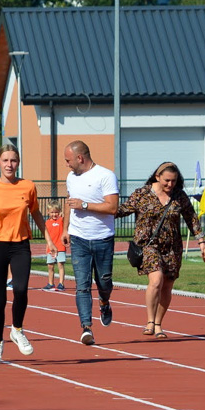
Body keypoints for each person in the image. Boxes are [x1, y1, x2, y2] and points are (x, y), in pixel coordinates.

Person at [0, 144, 57, 364]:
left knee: (21, 289)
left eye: (13, 160)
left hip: (20, 245)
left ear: (18, 163)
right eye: (5, 160)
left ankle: (17, 329)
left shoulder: (28, 186)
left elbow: (36, 214)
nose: (9, 164)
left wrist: (49, 240)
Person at [116, 161, 205, 338]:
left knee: (167, 286)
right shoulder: (142, 194)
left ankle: (158, 324)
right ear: (157, 177)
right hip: (148, 245)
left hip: (173, 247)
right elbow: (120, 210)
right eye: (166, 180)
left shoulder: (179, 196)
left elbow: (191, 218)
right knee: (156, 280)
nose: (170, 184)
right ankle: (150, 321)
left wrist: (202, 243)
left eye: (173, 181)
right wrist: (96, 207)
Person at [61, 141, 120, 345]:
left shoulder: (105, 176)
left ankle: (104, 302)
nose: (66, 164)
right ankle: (86, 327)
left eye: (68, 160)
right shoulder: (70, 178)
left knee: (103, 282)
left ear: (80, 158)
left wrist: (84, 205)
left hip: (103, 238)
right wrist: (65, 228)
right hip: (79, 239)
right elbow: (69, 202)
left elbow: (113, 207)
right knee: (82, 285)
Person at [43, 200, 66, 290]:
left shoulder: (61, 220)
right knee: (50, 266)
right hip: (51, 248)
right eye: (52, 212)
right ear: (48, 212)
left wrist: (63, 215)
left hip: (60, 247)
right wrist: (47, 247)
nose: (54, 214)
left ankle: (61, 283)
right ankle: (50, 283)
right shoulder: (47, 223)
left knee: (60, 265)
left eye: (56, 212)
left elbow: (66, 218)